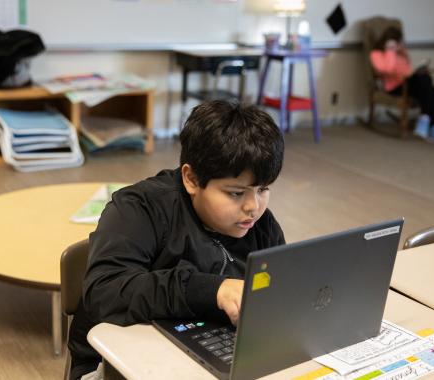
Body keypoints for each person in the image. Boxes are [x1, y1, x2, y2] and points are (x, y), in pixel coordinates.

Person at [67, 100, 286, 379]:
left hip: (209, 355)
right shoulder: (140, 208)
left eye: (263, 189)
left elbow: (278, 298)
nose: (253, 206)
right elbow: (105, 293)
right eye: (235, 193)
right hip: (116, 362)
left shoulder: (261, 225)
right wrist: (212, 291)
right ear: (191, 179)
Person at [369, 26, 434, 145]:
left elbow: (408, 70)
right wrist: (390, 50)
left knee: (431, 87)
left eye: (399, 43)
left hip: (408, 83)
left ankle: (426, 121)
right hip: (394, 87)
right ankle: (431, 126)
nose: (398, 45)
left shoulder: (402, 53)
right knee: (429, 87)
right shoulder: (376, 54)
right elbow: (387, 69)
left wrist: (404, 55)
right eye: (396, 43)